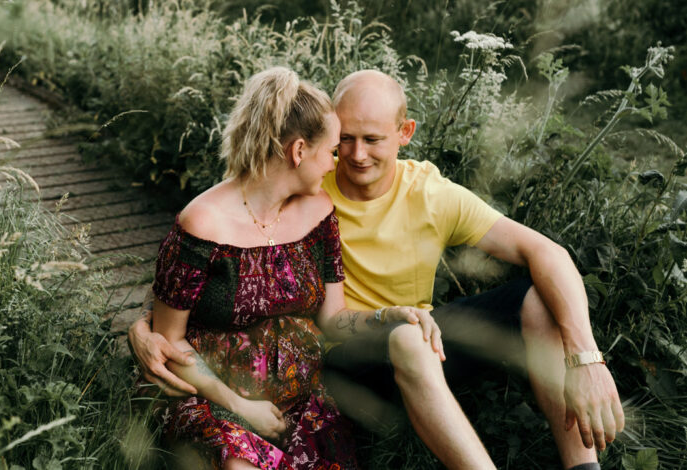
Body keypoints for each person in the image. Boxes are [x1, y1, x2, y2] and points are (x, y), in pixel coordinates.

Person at [130, 69, 624, 470]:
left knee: (530, 298)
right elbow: (200, 267)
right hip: (332, 362)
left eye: (372, 139)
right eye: (342, 140)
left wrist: (588, 358)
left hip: (393, 348)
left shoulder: (415, 196)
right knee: (405, 336)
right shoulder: (302, 192)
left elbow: (549, 253)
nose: (353, 156)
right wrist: (143, 327)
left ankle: (582, 468)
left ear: (404, 134)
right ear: (311, 146)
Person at [139, 67, 430, 470]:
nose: (335, 164)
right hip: (212, 400)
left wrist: (389, 317)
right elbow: (169, 341)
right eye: (330, 151)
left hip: (302, 400)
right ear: (298, 152)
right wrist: (239, 404)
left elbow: (333, 318)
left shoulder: (320, 214)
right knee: (238, 463)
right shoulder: (201, 225)